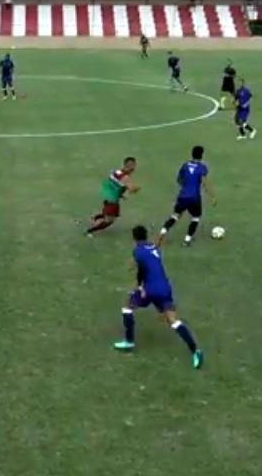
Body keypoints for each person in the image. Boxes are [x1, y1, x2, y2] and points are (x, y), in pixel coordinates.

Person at [114, 226, 204, 370]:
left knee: (127, 309)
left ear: (134, 238)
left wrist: (140, 286)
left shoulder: (138, 251)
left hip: (150, 289)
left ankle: (129, 341)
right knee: (174, 321)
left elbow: (142, 270)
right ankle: (195, 351)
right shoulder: (153, 248)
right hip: (165, 288)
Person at [157, 146, 216, 247]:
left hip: (182, 196)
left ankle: (162, 233)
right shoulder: (202, 168)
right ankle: (187, 240)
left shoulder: (185, 166)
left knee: (175, 216)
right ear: (201, 155)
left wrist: (186, 186)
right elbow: (204, 183)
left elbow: (179, 180)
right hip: (194, 198)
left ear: (192, 154)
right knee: (196, 217)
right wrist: (212, 196)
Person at [85, 157, 140, 236]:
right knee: (109, 221)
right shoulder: (126, 177)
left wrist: (120, 194)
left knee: (110, 214)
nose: (134, 168)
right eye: (134, 165)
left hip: (107, 196)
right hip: (113, 201)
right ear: (129, 166)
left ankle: (95, 218)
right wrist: (136, 189)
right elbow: (131, 189)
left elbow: (113, 184)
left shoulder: (116, 172)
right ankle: (89, 231)